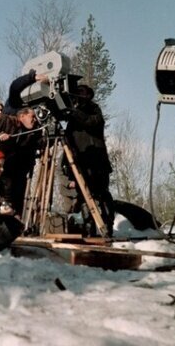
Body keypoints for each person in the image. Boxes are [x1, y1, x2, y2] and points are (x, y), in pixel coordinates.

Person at [63, 84, 114, 236]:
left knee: (102, 194)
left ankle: (107, 224)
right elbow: (68, 141)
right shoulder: (73, 117)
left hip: (98, 163)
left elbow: (91, 122)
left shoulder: (94, 110)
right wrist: (69, 170)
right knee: (83, 196)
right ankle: (88, 226)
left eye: (82, 93)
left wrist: (74, 111)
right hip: (81, 164)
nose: (79, 96)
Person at [0, 107, 41, 216]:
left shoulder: (27, 132)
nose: (34, 120)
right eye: (32, 116)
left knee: (13, 194)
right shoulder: (7, 120)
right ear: (22, 116)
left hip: (8, 169)